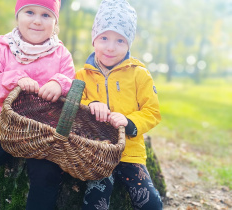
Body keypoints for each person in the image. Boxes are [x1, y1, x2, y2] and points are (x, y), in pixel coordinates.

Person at [0, 0, 75, 209]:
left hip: (43, 130)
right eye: (30, 12)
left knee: (47, 176)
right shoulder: (3, 47)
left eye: (46, 15)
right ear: (18, 16)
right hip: (2, 124)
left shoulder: (61, 53)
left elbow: (71, 82)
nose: (37, 21)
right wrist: (13, 79)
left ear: (55, 22)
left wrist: (59, 84)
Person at [75, 0, 163, 209]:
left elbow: (152, 112)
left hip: (130, 152)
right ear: (94, 39)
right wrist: (91, 104)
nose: (111, 47)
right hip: (97, 152)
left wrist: (129, 121)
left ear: (129, 44)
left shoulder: (139, 74)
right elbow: (73, 104)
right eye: (104, 38)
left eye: (120, 41)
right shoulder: (81, 75)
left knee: (150, 202)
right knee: (95, 201)